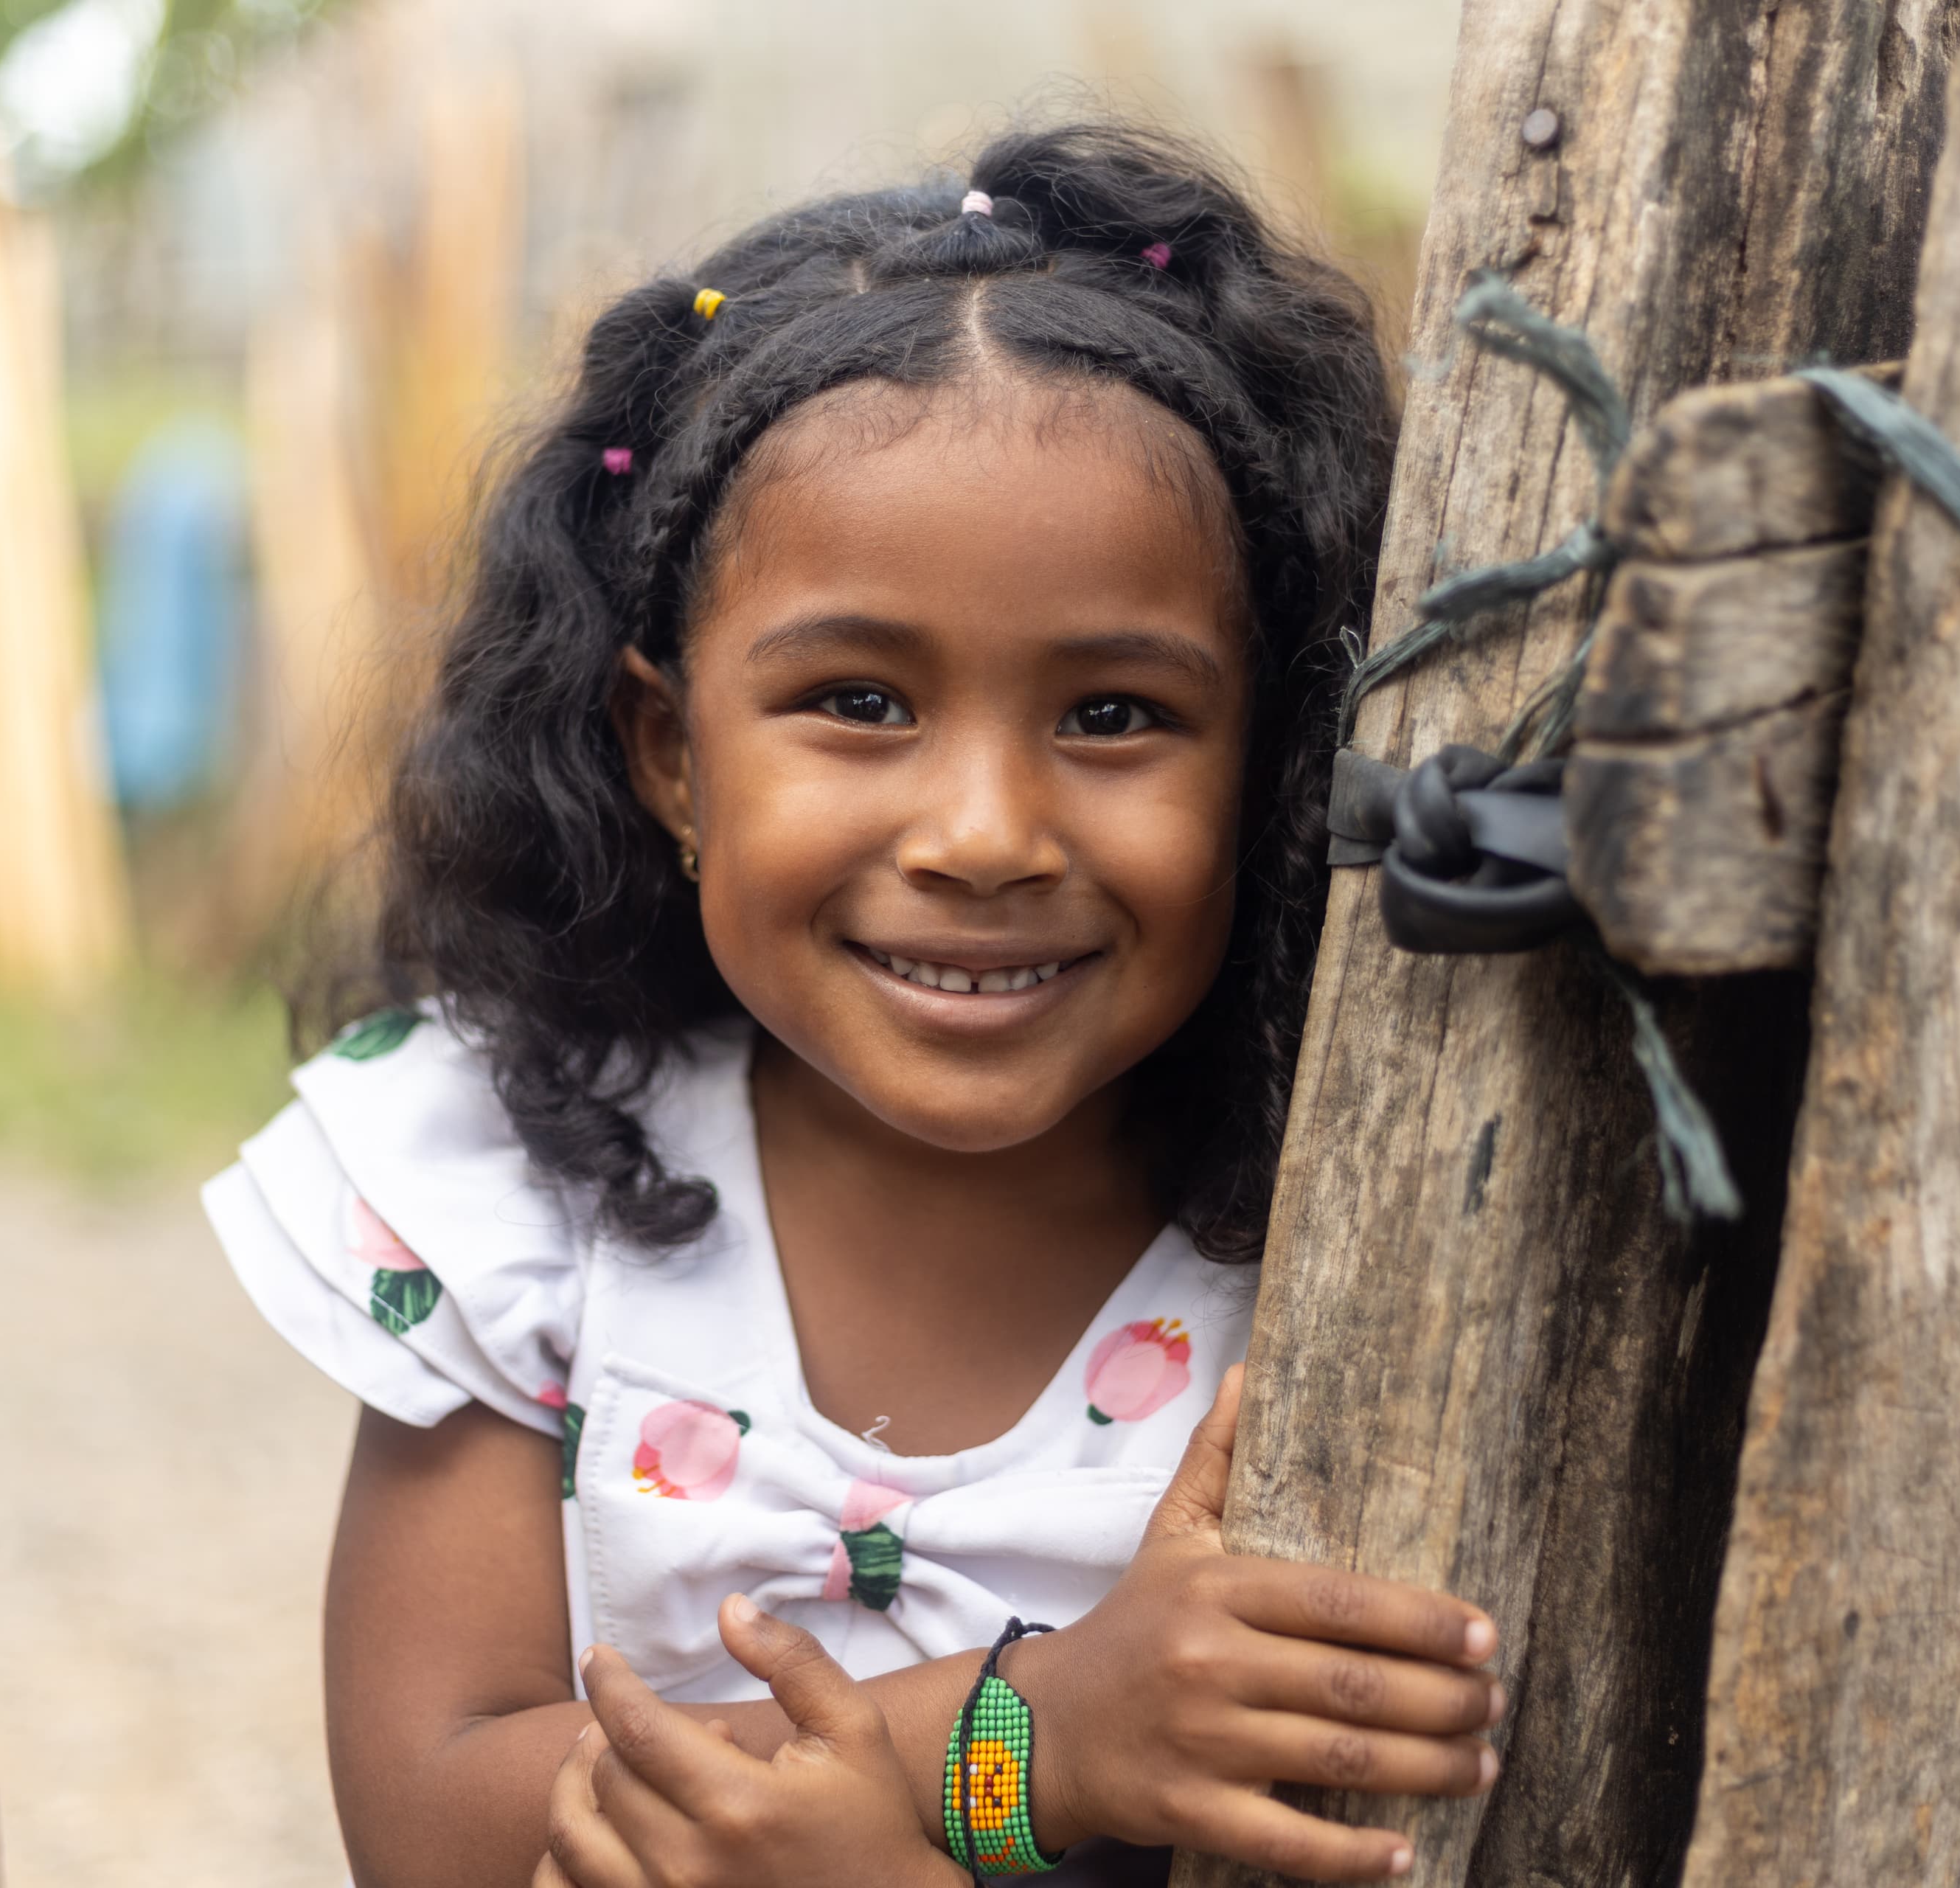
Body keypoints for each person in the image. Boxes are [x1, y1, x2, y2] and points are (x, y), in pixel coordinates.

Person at [205, 121, 1503, 1888]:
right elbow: (436, 1820)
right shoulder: (520, 1198)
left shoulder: (1330, 1247)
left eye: (1116, 714)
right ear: (670, 752)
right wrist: (1028, 1741)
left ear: (1272, 765)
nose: (983, 834)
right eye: (860, 702)